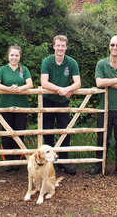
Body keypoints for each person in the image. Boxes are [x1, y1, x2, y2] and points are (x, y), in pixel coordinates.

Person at [89, 35, 117, 178]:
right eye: (112, 45)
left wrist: (108, 81)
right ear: (109, 46)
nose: (114, 48)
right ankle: (99, 165)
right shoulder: (101, 64)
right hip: (105, 109)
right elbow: (99, 83)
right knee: (102, 138)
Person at [41, 35, 81, 175]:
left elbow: (78, 82)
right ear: (53, 46)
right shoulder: (47, 62)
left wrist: (68, 89)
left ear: (66, 47)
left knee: (65, 131)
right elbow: (44, 83)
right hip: (48, 100)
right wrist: (61, 90)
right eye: (58, 45)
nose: (60, 48)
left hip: (63, 102)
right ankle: (48, 162)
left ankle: (64, 161)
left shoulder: (71, 62)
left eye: (63, 46)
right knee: (48, 131)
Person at [0, 44, 33, 172]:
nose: (14, 57)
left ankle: (17, 160)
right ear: (8, 56)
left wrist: (19, 89)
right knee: (6, 134)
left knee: (19, 133)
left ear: (19, 56)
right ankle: (7, 160)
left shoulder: (24, 69)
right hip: (5, 107)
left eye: (16, 55)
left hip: (22, 107)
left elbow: (30, 84)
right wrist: (9, 89)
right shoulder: (2, 69)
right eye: (12, 55)